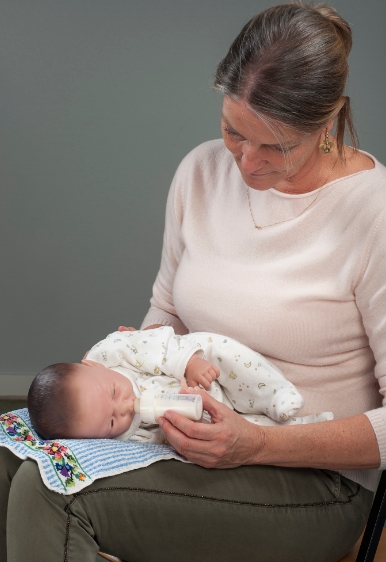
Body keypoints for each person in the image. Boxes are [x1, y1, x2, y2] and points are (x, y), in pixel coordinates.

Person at [1, 3, 385, 561]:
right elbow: (167, 315)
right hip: (183, 441)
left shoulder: (373, 212)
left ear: (327, 123)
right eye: (233, 132)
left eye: (275, 146)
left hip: (310, 477)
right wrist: (132, 361)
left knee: (51, 492)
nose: (246, 163)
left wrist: (258, 444)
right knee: (6, 455)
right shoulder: (201, 173)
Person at [27, 327, 330, 442]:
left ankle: (273, 393)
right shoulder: (123, 439)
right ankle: (305, 428)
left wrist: (189, 363)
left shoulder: (109, 353)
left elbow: (154, 345)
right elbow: (156, 448)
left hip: (194, 367)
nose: (124, 407)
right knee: (240, 430)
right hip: (202, 410)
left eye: (114, 392)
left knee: (221, 351)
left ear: (92, 365)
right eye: (109, 421)